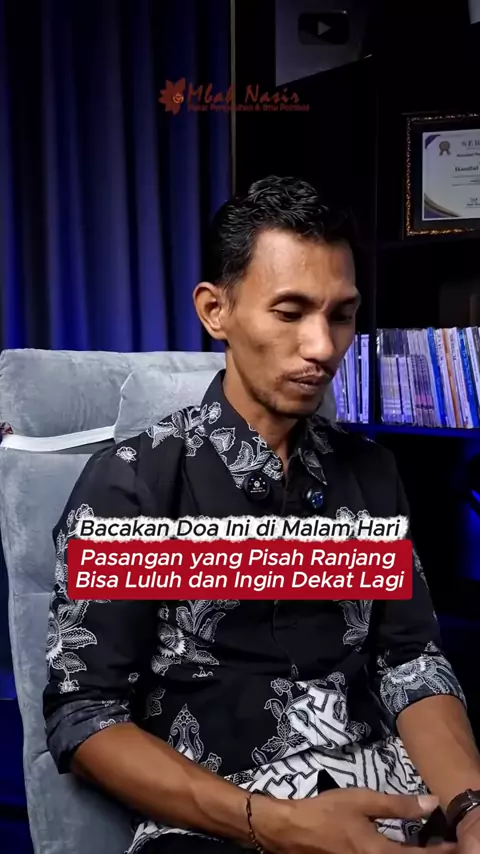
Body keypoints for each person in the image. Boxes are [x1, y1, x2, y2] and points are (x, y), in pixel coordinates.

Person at [44, 176, 480, 854]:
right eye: (290, 311)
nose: (323, 346)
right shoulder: (133, 484)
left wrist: (470, 808)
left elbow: (411, 664)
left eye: (341, 315)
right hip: (218, 817)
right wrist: (275, 824)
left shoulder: (371, 473)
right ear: (215, 310)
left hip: (392, 792)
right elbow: (86, 713)